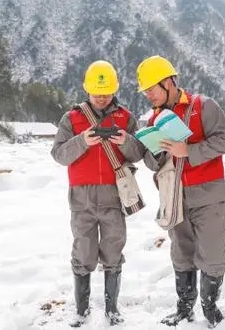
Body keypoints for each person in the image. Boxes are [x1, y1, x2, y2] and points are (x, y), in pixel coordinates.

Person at [136, 55, 225, 328]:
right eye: (145, 91)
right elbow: (150, 160)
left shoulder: (204, 106)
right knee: (181, 253)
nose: (148, 96)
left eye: (152, 89)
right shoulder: (153, 119)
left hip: (209, 194)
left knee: (213, 255)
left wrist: (188, 151)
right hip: (174, 196)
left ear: (169, 82)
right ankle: (184, 308)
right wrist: (155, 152)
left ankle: (210, 309)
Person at [50, 60, 145, 327]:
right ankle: (81, 311)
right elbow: (58, 155)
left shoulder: (126, 117)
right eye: (97, 93)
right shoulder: (71, 119)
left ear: (114, 90)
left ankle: (112, 309)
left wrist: (126, 141)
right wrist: (83, 141)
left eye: (106, 93)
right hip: (82, 199)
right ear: (87, 91)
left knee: (113, 251)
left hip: (115, 197)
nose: (102, 99)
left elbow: (140, 153)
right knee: (84, 252)